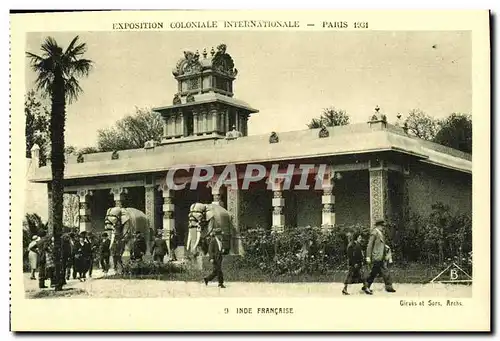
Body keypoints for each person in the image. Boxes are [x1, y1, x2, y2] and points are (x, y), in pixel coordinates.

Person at [365, 219, 396, 293]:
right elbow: (370, 245)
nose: (383, 227)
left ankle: (388, 287)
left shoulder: (380, 233)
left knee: (384, 271)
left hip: (381, 256)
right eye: (382, 226)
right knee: (374, 273)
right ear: (378, 226)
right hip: (376, 257)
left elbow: (381, 245)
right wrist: (368, 256)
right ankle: (366, 286)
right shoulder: (374, 233)